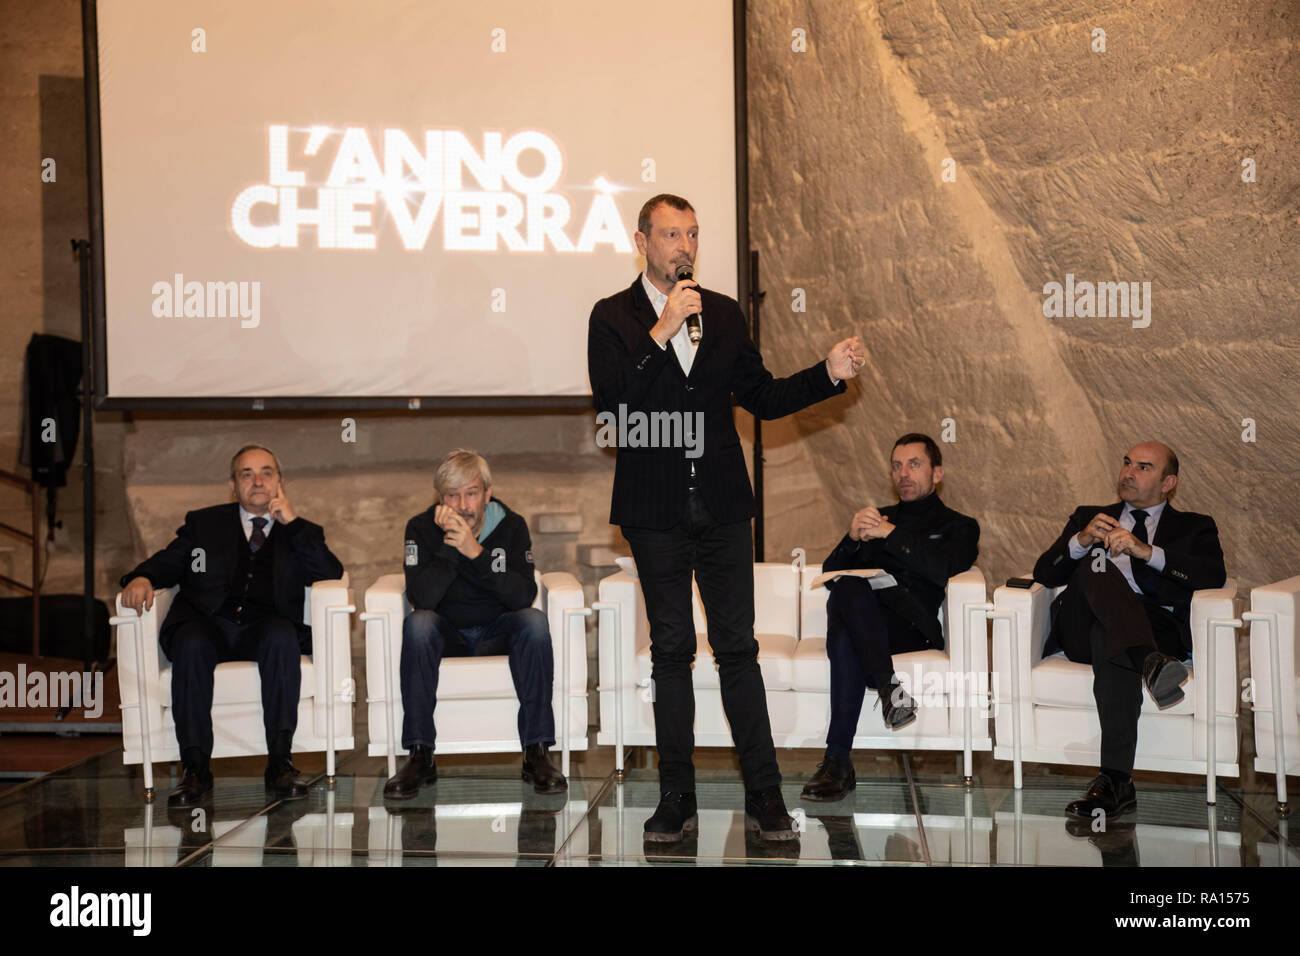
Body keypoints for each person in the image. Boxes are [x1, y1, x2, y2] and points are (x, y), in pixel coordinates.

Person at [586, 193, 865, 842]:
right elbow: (615, 410)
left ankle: (764, 797)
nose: (683, 247)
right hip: (653, 511)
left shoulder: (724, 314)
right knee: (672, 651)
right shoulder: (613, 318)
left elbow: (763, 397)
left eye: (692, 235)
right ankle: (676, 799)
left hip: (721, 508)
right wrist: (660, 334)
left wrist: (827, 373)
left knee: (737, 649)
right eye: (670, 235)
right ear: (642, 241)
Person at [119, 444, 345, 806]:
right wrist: (142, 576)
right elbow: (171, 561)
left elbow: (330, 573)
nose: (258, 481)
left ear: (280, 482)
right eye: (247, 474)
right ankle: (195, 769)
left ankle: (280, 763)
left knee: (282, 635)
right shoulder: (205, 524)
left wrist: (293, 522)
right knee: (189, 643)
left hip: (264, 626)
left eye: (266, 472)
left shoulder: (299, 531)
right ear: (233, 484)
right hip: (208, 623)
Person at [1032, 441, 1225, 821]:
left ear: (1168, 482)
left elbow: (1211, 576)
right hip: (1080, 626)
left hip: (1152, 626)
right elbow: (1045, 572)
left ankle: (1115, 783)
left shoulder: (1194, 527)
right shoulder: (1089, 516)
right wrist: (1081, 541)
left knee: (1113, 640)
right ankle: (1150, 663)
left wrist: (1145, 551)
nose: (1129, 473)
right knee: (1095, 565)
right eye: (1126, 463)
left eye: (1143, 467)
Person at [801, 433, 979, 801]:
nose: (904, 474)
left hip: (913, 627)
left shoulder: (958, 525)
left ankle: (837, 762)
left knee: (846, 628)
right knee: (848, 592)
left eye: (914, 464)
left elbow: (943, 568)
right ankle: (888, 691)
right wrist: (852, 537)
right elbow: (831, 575)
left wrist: (891, 534)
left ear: (938, 473)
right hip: (871, 623)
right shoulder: (876, 518)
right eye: (897, 466)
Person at [383, 449, 565, 798]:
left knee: (534, 622)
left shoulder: (512, 526)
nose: (462, 504)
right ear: (441, 499)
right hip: (446, 631)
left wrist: (477, 554)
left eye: (471, 493)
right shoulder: (420, 528)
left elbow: (521, 596)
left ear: (487, 493)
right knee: (418, 624)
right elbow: (423, 598)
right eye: (452, 495)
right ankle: (420, 754)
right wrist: (453, 548)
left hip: (496, 630)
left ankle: (537, 751)